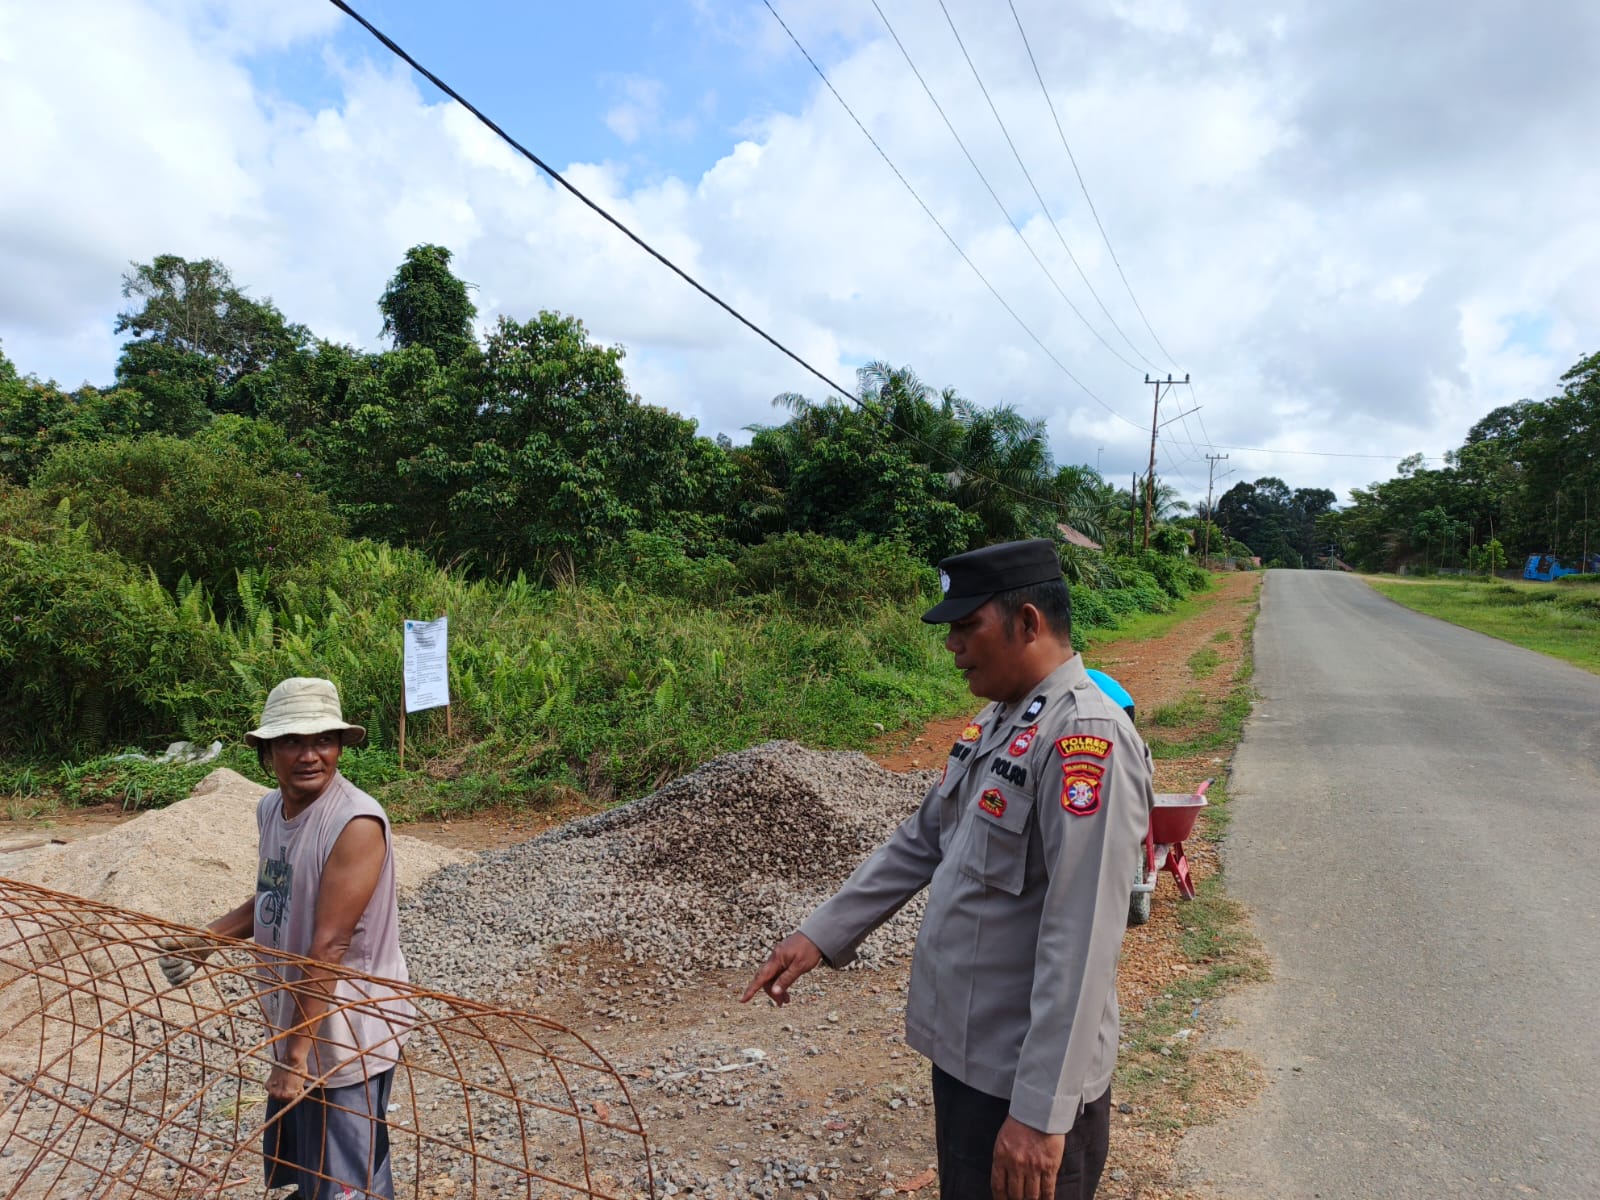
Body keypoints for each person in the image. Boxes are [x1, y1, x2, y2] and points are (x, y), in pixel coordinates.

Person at [742, 539, 1154, 1200]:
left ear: (1027, 622)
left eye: (967, 626)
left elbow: (1083, 940)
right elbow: (923, 839)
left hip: (1025, 1082)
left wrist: (1039, 1113)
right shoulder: (1000, 720)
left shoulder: (1086, 739)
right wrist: (821, 933)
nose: (952, 645)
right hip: (971, 1063)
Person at [157, 677, 412, 1200]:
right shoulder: (271, 809)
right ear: (267, 750)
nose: (310, 755)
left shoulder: (355, 823)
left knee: (349, 1182)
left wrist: (293, 1058)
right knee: (311, 1168)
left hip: (345, 1028)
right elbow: (274, 894)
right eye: (292, 741)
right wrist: (207, 941)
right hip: (298, 1016)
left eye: (324, 741)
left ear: (340, 746)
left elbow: (330, 947)